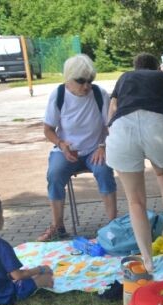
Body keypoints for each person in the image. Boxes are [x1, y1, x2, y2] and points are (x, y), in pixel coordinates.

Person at [105, 53, 163, 274]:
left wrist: (109, 137)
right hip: (157, 127)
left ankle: (146, 260)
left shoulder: (124, 78)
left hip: (122, 131)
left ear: (135, 67)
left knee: (135, 202)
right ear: (157, 67)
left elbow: (112, 111)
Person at [40, 54, 117, 242]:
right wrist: (61, 144)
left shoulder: (99, 94)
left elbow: (111, 126)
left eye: (89, 81)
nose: (86, 86)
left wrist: (103, 146)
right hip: (67, 150)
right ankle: (57, 226)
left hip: (94, 149)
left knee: (105, 171)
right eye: (81, 81)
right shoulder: (58, 95)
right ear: (68, 79)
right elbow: (48, 129)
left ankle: (113, 225)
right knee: (55, 174)